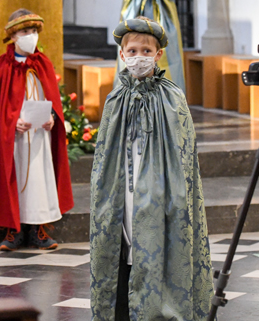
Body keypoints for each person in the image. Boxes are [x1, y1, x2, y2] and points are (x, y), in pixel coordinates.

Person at [90, 17, 214, 320]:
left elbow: (182, 155)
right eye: (132, 51)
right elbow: (105, 155)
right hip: (124, 191)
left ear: (158, 54)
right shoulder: (115, 98)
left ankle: (159, 310)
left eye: (146, 51)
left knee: (157, 243)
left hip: (159, 192)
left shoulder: (172, 97)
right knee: (125, 245)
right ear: (122, 54)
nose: (138, 57)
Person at [0, 9, 73, 251]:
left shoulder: (43, 63)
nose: (30, 36)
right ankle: (13, 231)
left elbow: (52, 98)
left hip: (40, 133)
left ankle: (38, 230)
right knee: (16, 176)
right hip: (15, 137)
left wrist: (52, 118)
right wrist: (11, 123)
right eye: (24, 32)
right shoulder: (3, 65)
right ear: (13, 36)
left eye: (33, 31)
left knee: (39, 179)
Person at [116, 0, 185, 93]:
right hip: (137, 45)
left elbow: (172, 24)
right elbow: (126, 20)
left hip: (159, 44)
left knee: (166, 71)